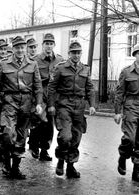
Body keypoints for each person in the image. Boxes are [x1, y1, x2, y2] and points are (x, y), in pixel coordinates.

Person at [0, 36, 43, 179]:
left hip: (26, 103)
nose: (20, 50)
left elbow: (38, 86)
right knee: (8, 134)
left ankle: (15, 168)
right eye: (17, 48)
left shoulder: (33, 64)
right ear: (13, 49)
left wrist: (38, 103)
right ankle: (6, 163)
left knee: (21, 136)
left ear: (25, 48)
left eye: (22, 47)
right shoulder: (3, 64)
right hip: (9, 102)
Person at [47, 41, 96, 178]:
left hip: (79, 106)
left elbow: (90, 88)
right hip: (64, 104)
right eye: (73, 52)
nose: (76, 55)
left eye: (78, 52)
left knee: (76, 137)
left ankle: (70, 166)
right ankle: (61, 160)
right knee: (65, 136)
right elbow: (51, 87)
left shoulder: (85, 69)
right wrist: (51, 105)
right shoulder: (60, 68)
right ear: (69, 53)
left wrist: (92, 105)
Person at [29, 33, 64, 161]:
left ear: (54, 45)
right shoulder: (35, 60)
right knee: (39, 119)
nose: (49, 46)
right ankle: (34, 146)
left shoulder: (60, 60)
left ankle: (44, 150)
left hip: (53, 95)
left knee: (50, 123)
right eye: (46, 44)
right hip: (40, 93)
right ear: (43, 45)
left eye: (51, 44)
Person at [114, 43, 139, 182]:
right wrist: (117, 111)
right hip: (131, 105)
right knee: (130, 138)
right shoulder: (126, 72)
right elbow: (119, 93)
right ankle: (123, 156)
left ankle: (137, 169)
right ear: (134, 55)